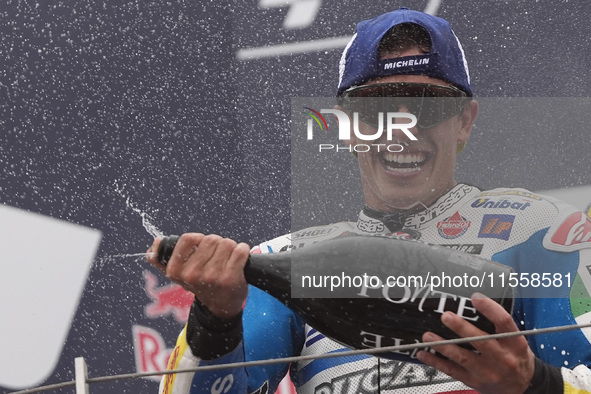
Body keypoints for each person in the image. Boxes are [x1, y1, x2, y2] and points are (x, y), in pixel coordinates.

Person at [146, 8, 591, 394]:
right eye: (377, 108)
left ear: (464, 122)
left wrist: (533, 385)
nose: (402, 130)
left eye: (428, 106)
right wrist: (215, 321)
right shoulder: (281, 258)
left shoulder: (543, 233)